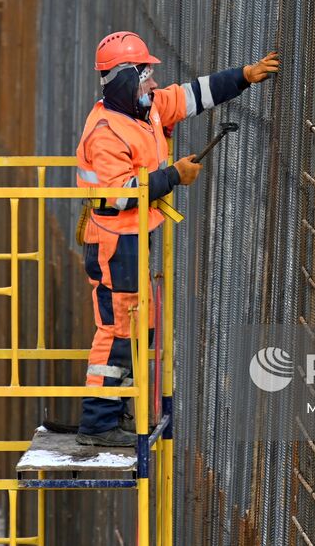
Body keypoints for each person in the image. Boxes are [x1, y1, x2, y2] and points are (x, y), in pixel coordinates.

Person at [74, 30, 280, 446]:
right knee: (118, 328)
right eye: (145, 73)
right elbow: (116, 197)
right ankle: (98, 421)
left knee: (137, 324)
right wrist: (174, 177)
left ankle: (114, 407)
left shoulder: (144, 112)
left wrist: (243, 76)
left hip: (133, 238)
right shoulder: (106, 131)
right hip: (114, 240)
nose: (152, 82)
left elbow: (190, 96)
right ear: (123, 78)